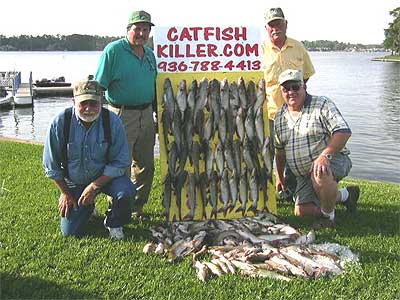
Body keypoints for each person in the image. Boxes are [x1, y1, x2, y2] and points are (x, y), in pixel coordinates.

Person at [43, 78, 136, 240]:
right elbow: (51, 166)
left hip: (106, 178)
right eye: (83, 103)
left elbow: (120, 161)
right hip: (75, 180)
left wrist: (94, 186)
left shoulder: (113, 122)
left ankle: (114, 222)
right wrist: (65, 193)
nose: (88, 108)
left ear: (101, 102)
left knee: (126, 192)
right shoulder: (59, 123)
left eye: (94, 103)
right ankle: (88, 208)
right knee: (70, 232)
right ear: (74, 102)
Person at [274, 69, 360, 228]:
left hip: (332, 161)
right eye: (286, 89)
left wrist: (324, 156)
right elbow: (280, 151)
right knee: (301, 211)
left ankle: (328, 218)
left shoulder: (322, 104)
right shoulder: (279, 116)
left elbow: (343, 131)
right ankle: (346, 195)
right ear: (281, 91)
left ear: (304, 86)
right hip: (303, 174)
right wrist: (280, 176)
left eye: (295, 87)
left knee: (319, 172)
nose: (291, 92)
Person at [95, 10, 157, 219]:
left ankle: (136, 207)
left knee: (145, 164)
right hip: (121, 114)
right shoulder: (113, 51)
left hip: (147, 113)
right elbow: (98, 86)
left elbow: (153, 86)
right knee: (119, 164)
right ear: (128, 30)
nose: (141, 33)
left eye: (145, 29)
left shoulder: (150, 54)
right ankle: (117, 207)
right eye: (137, 28)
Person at [262, 7, 315, 200]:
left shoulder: (298, 47)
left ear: (286, 24)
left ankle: (290, 190)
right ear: (266, 28)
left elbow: (306, 76)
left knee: (294, 153)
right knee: (268, 152)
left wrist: (295, 100)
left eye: (279, 23)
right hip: (269, 112)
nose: (275, 28)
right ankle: (270, 190)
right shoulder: (259, 50)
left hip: (295, 113)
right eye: (271, 25)